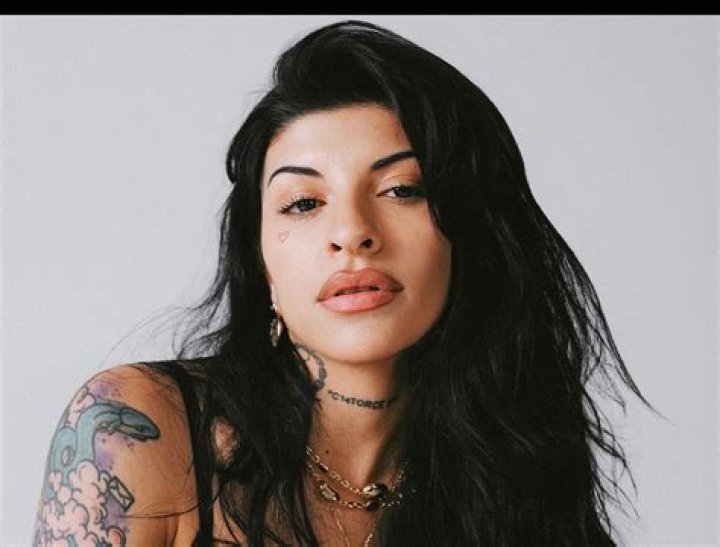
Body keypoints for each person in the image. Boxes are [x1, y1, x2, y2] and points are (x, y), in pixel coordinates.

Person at [32, 19, 656, 546]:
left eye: (402, 190)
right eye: (303, 203)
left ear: (472, 237)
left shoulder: (513, 483)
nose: (352, 233)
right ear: (261, 266)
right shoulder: (137, 430)